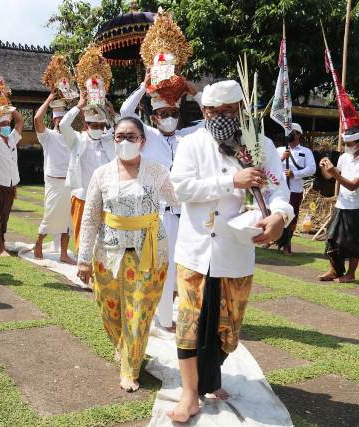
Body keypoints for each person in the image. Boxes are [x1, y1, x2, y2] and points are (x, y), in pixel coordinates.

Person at [168, 80, 294, 422]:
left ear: (241, 110)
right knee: (190, 323)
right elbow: (180, 188)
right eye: (211, 112)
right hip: (196, 248)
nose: (218, 118)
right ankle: (190, 394)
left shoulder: (261, 144)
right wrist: (231, 182)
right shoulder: (191, 143)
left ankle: (211, 377)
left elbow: (278, 191)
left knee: (227, 328)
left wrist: (281, 216)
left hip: (237, 250)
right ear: (203, 111)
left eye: (226, 112)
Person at [77, 117, 175, 392]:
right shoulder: (102, 174)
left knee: (139, 314)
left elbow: (181, 198)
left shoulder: (157, 172)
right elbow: (90, 218)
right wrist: (83, 259)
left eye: (132, 136)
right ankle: (125, 348)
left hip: (149, 253)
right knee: (111, 313)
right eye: (119, 136)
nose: (125, 142)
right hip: (108, 254)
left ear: (143, 141)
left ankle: (130, 371)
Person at [120, 79, 201, 332]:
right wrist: (145, 86)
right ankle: (164, 319)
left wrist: (193, 92)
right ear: (154, 117)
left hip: (185, 215)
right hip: (157, 214)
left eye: (173, 114)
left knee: (183, 267)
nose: (169, 118)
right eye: (163, 114)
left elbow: (211, 122)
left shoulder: (186, 137)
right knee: (160, 268)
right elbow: (125, 112)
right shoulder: (149, 137)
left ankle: (170, 312)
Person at [61, 91, 116, 252]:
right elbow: (64, 125)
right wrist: (79, 106)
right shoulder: (77, 140)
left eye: (101, 126)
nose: (99, 129)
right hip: (82, 195)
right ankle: (83, 265)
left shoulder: (109, 140)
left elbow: (124, 128)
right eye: (94, 125)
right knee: (82, 235)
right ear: (86, 125)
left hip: (106, 197)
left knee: (105, 236)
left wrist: (113, 114)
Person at [33, 92, 75, 264]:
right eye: (58, 119)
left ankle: (64, 253)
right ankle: (39, 242)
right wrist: (50, 99)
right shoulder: (48, 136)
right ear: (53, 121)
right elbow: (36, 119)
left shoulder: (73, 136)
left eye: (63, 119)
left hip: (71, 181)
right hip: (54, 181)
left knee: (69, 220)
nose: (60, 122)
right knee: (50, 216)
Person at [318, 127, 359, 283]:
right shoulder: (344, 157)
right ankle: (334, 270)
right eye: (346, 143)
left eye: (350, 143)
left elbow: (353, 186)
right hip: (341, 204)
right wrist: (324, 167)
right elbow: (329, 175)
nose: (347, 146)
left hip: (356, 207)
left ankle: (350, 274)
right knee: (331, 238)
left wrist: (334, 173)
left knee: (353, 243)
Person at [0, 96, 24, 257]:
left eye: (8, 124)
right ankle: (2, 248)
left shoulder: (13, 138)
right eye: (3, 125)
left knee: (4, 215)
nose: (7, 127)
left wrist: (11, 109)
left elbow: (20, 122)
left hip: (11, 183)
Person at [273, 123, 316, 254]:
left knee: (292, 217)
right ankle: (275, 240)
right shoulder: (279, 150)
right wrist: (281, 158)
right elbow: (270, 166)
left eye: (293, 132)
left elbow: (312, 169)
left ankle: (287, 243)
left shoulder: (306, 151)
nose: (290, 135)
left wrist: (294, 174)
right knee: (277, 214)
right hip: (279, 188)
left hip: (295, 189)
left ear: (298, 135)